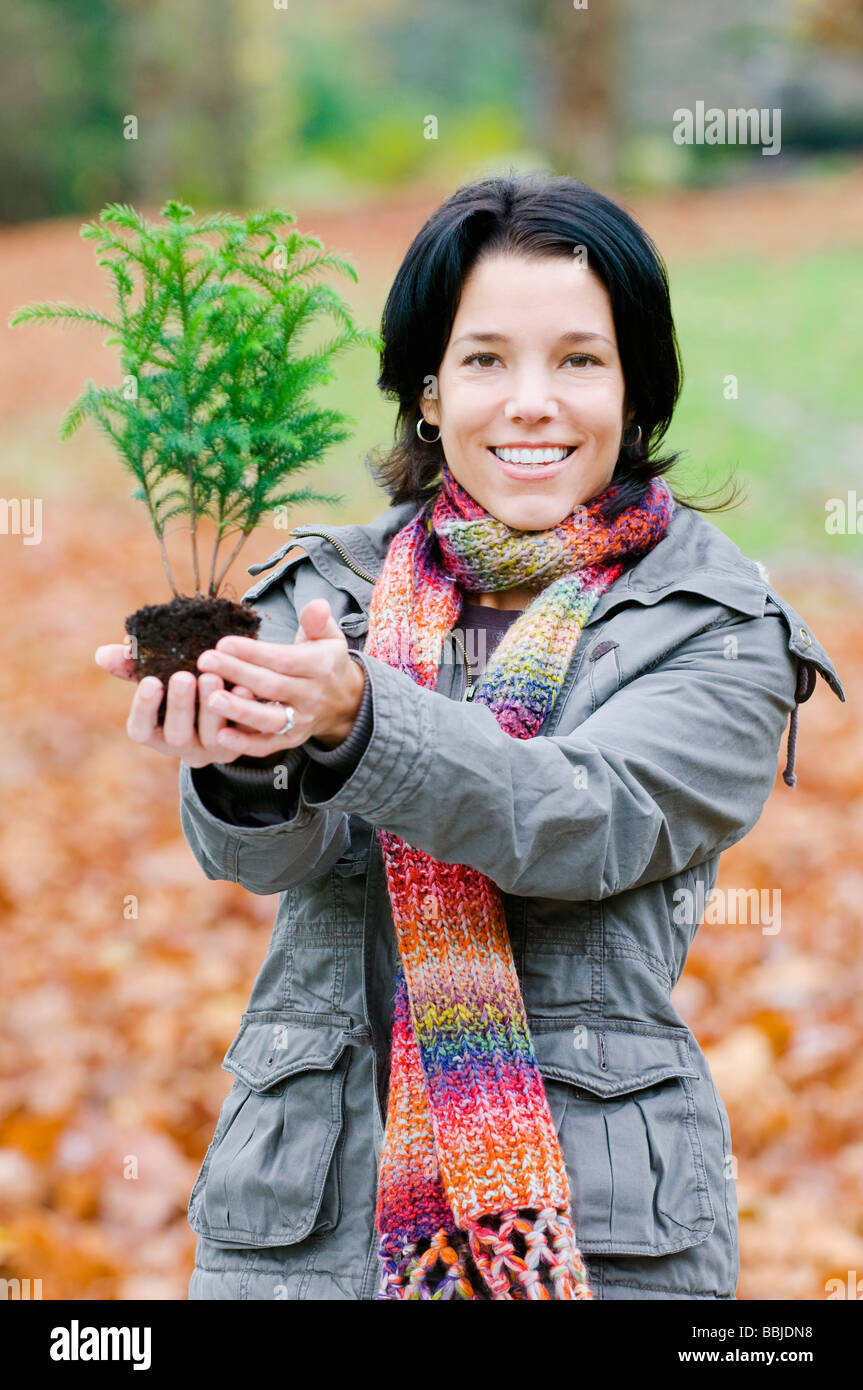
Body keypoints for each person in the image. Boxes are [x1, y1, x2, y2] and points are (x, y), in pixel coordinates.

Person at [96, 172, 845, 1301]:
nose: (530, 403)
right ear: (429, 389)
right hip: (301, 1227)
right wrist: (242, 756)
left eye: (578, 360)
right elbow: (271, 861)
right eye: (486, 359)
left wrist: (356, 720)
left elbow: (578, 819)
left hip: (597, 1233)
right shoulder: (326, 589)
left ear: (636, 386)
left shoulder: (716, 625)